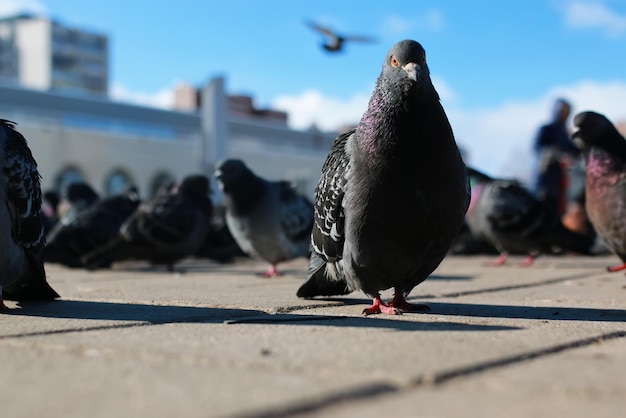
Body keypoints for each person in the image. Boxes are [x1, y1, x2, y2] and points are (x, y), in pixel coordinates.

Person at [532, 98, 580, 214]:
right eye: (562, 110)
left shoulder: (566, 134)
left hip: (563, 181)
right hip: (546, 179)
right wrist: (555, 154)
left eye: (567, 111)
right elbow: (537, 148)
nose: (564, 114)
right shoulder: (547, 129)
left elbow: (575, 151)